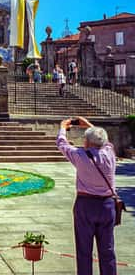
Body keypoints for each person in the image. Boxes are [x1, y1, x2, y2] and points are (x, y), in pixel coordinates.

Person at [57, 117, 117, 275]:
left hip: (86, 205)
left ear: (87, 142)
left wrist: (63, 126)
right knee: (108, 250)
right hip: (107, 204)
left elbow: (61, 144)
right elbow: (104, 139)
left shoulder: (80, 155)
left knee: (84, 251)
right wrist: (88, 124)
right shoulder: (109, 152)